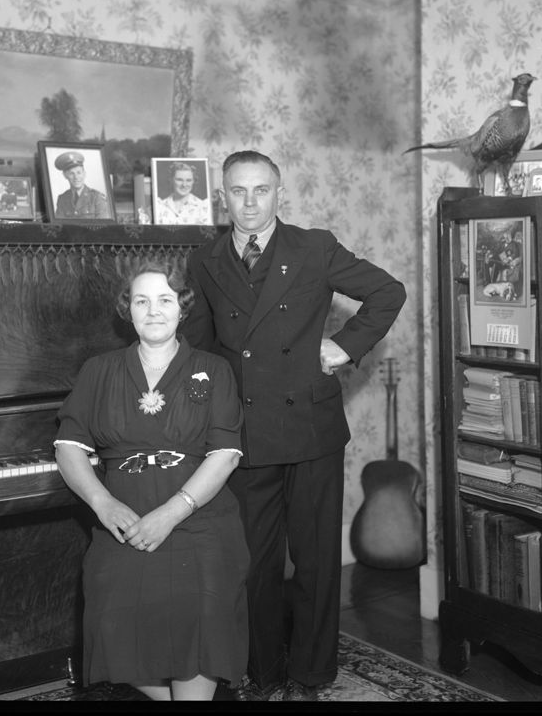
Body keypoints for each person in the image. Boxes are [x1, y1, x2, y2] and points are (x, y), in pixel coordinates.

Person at [181, 150, 406, 701]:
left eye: (262, 190)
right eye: (239, 191)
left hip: (310, 430)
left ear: (280, 193)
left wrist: (343, 347)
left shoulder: (315, 247)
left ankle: (312, 672)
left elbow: (388, 292)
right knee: (253, 563)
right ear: (224, 196)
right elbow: (203, 349)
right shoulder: (205, 259)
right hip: (245, 433)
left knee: (316, 560)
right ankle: (265, 671)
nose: (251, 202)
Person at [54, 260, 249, 701]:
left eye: (165, 299)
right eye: (141, 300)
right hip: (123, 524)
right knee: (111, 616)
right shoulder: (98, 370)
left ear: (183, 308)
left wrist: (170, 513)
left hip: (199, 522)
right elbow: (68, 449)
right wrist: (104, 506)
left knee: (197, 612)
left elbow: (224, 456)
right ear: (128, 310)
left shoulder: (213, 370)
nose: (153, 310)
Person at [54, 151, 110, 218]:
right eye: (71, 173)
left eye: (79, 172)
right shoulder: (62, 199)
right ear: (65, 175)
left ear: (84, 174)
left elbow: (103, 225)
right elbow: (60, 224)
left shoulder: (97, 197)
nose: (76, 177)